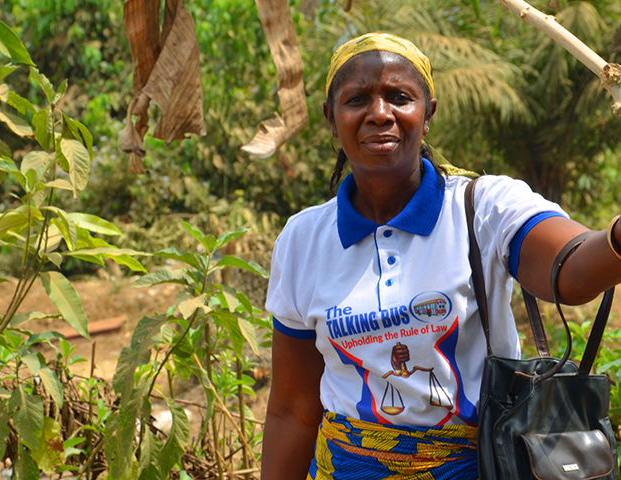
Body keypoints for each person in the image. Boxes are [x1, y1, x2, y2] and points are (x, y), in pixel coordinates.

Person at [261, 32, 621, 480]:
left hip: (476, 467)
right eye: (357, 100)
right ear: (331, 119)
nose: (379, 114)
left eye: (399, 97)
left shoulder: (484, 208)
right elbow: (292, 409)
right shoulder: (303, 239)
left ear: (427, 113)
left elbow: (571, 269)